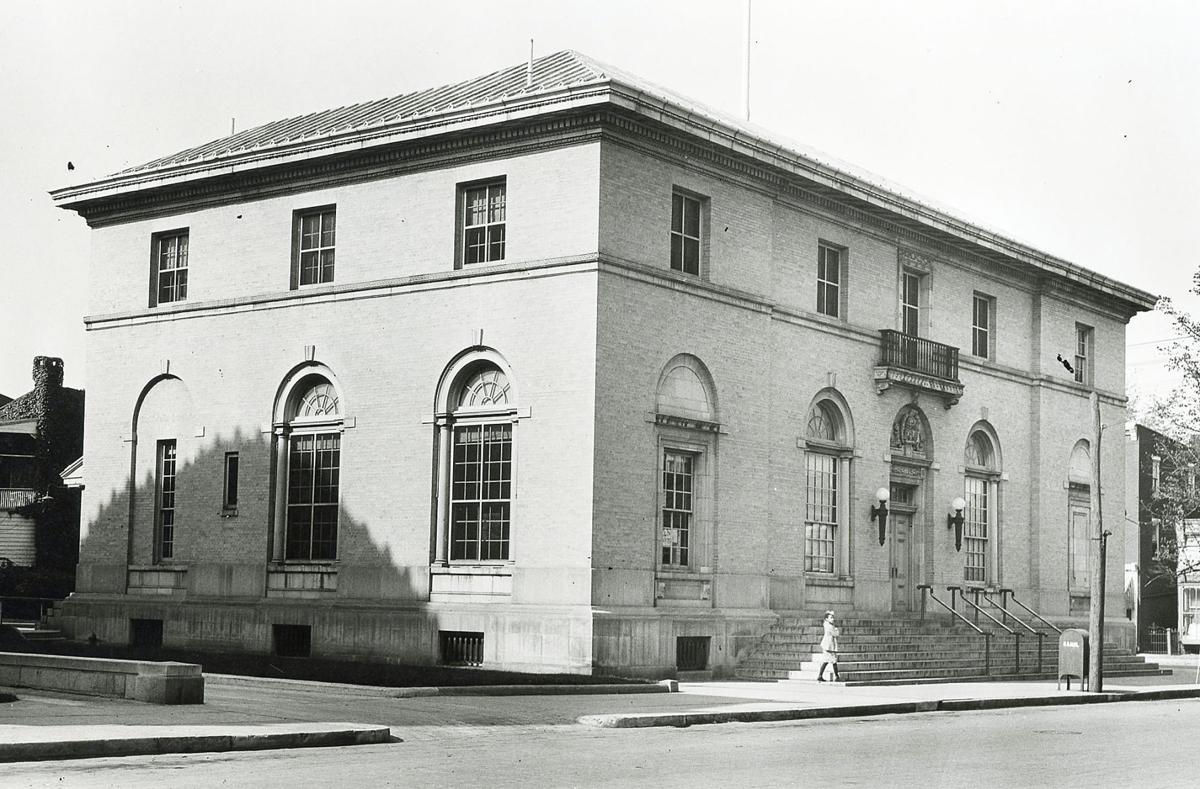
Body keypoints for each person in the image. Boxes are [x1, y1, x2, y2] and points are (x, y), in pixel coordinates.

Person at [817, 610, 841, 682]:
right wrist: (837, 630)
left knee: (827, 661)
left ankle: (821, 675)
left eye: (833, 617)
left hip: (828, 645)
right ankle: (836, 676)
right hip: (829, 646)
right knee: (833, 661)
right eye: (831, 617)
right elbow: (835, 634)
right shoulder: (830, 626)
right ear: (827, 619)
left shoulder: (827, 625)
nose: (832, 619)